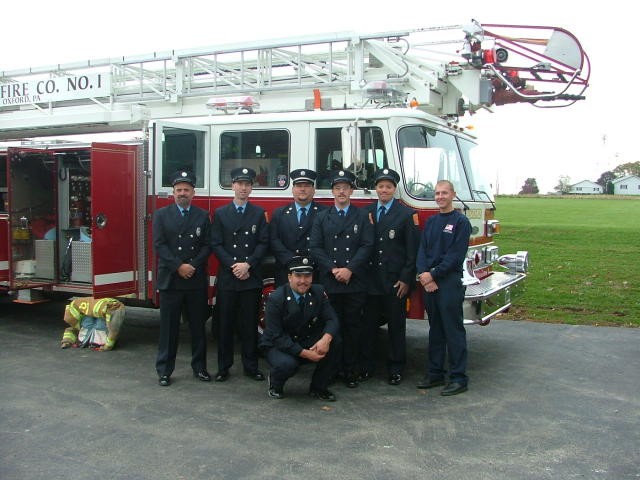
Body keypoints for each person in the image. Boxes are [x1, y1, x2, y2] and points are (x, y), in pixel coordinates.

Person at [309, 169, 373, 388]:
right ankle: (331, 369)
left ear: (352, 191)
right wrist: (334, 269)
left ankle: (349, 370)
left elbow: (367, 246)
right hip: (331, 280)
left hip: (354, 282)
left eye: (345, 188)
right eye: (337, 188)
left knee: (353, 327)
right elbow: (315, 247)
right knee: (331, 327)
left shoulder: (362, 216)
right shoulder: (322, 217)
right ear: (332, 192)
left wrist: (349, 270)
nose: (342, 192)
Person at [153, 170, 211, 387]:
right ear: (173, 193)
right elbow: (159, 245)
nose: (182, 193)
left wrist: (192, 266)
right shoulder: (161, 215)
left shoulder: (202, 215)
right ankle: (164, 370)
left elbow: (207, 245)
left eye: (186, 190)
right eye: (178, 190)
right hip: (171, 279)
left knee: (198, 328)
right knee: (169, 329)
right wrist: (179, 266)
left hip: (194, 280)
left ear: (193, 193)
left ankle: (200, 368)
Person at [361, 169, 419, 386]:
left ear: (395, 189)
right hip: (370, 280)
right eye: (380, 186)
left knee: (396, 326)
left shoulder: (405, 214)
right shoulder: (366, 212)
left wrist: (406, 279)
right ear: (375, 188)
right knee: (368, 326)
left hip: (394, 281)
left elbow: (412, 251)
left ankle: (396, 368)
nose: (384, 190)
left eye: (388, 186)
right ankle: (366, 367)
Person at [211, 167, 269, 382]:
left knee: (249, 325)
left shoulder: (258, 213)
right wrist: (234, 266)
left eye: (247, 184)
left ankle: (251, 366)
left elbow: (264, 243)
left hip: (250, 278)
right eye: (239, 184)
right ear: (232, 186)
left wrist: (248, 265)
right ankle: (223, 367)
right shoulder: (220, 213)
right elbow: (216, 244)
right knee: (225, 325)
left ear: (252, 188)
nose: (243, 188)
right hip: (228, 277)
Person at [416, 180, 472, 396]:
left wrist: (433, 274)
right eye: (437, 193)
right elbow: (422, 250)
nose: (440, 196)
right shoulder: (431, 222)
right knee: (435, 330)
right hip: (429, 283)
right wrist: (423, 275)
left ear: (453, 195)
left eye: (444, 193)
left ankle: (459, 377)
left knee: (453, 330)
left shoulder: (461, 222)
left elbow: (455, 257)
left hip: (448, 283)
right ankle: (435, 373)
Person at [260, 256, 341, 401]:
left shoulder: (318, 292)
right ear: (289, 277)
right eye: (298, 276)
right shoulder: (276, 298)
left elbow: (332, 319)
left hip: (304, 339)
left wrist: (326, 339)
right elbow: (277, 336)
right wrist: (305, 354)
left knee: (335, 342)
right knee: (287, 364)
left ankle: (318, 387)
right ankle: (276, 383)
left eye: (307, 276)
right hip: (278, 344)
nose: (303, 281)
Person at [269, 169, 326, 287]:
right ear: (293, 189)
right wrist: (290, 260)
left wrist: (310, 262)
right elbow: (274, 240)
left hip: (314, 271)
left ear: (313, 190)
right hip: (287, 271)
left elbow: (327, 242)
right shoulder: (279, 213)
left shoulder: (325, 213)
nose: (302, 189)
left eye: (307, 186)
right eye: (299, 185)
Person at [60, 297, 125, 351]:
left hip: (104, 310)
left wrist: (108, 346)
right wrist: (108, 346)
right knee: (99, 325)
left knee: (97, 325)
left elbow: (113, 331)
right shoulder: (75, 307)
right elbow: (113, 331)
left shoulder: (112, 308)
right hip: (103, 310)